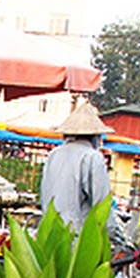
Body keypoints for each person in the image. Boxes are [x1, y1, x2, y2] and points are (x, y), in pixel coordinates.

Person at [39, 101, 126, 245]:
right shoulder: (92, 157)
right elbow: (101, 206)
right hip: (75, 241)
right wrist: (116, 237)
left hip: (48, 235)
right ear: (94, 137)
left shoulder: (53, 155)